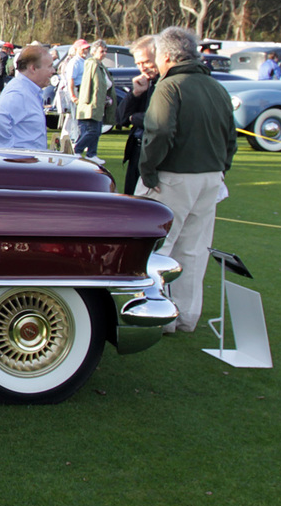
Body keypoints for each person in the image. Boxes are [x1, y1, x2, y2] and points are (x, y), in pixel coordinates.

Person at [136, 26, 237, 333]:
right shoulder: (215, 86)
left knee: (159, 247)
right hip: (210, 175)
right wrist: (222, 166)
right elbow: (230, 134)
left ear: (166, 56)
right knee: (193, 249)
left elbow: (160, 131)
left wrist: (148, 169)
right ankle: (186, 315)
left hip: (175, 175)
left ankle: (158, 314)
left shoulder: (170, 87)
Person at [0, 43, 54, 150]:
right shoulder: (18, 92)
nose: (53, 71)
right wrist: (9, 153)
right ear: (33, 68)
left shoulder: (29, 90)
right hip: (21, 163)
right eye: (50, 66)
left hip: (28, 162)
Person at [116, 35, 159, 195]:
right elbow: (120, 118)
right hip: (136, 151)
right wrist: (135, 93)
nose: (143, 68)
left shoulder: (166, 84)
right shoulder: (146, 83)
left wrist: (136, 118)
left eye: (146, 62)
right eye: (139, 63)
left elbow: (159, 120)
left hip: (153, 154)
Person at [73, 39, 115, 160]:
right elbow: (87, 83)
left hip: (100, 103)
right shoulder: (92, 63)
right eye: (102, 51)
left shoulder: (100, 65)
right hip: (92, 103)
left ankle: (92, 154)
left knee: (97, 130)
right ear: (94, 51)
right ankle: (77, 149)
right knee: (93, 131)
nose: (104, 53)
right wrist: (86, 102)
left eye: (106, 51)